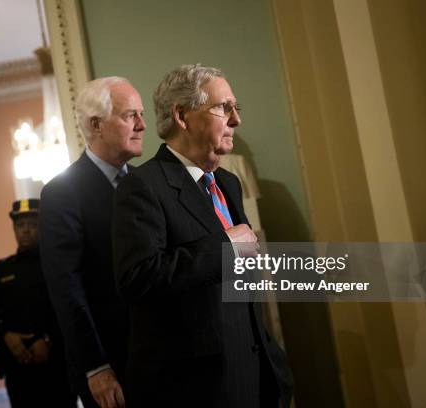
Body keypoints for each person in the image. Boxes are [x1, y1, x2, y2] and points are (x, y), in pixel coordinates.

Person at [112, 64, 294, 408]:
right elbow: (137, 278)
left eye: (236, 108)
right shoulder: (142, 186)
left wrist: (275, 368)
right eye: (224, 108)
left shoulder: (228, 183)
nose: (236, 120)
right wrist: (225, 247)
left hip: (256, 380)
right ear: (182, 115)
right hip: (197, 390)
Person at [40, 76, 145, 408]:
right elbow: (66, 287)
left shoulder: (146, 183)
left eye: (141, 115)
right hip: (111, 365)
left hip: (160, 357)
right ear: (97, 125)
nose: (142, 125)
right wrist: (95, 366)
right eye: (131, 115)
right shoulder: (62, 193)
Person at [0, 199, 76, 408]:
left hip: (56, 363)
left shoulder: (57, 265)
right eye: (21, 225)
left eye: (32, 224)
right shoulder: (1, 270)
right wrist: (6, 336)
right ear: (14, 229)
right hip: (17, 365)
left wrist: (48, 340)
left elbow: (71, 308)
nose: (26, 231)